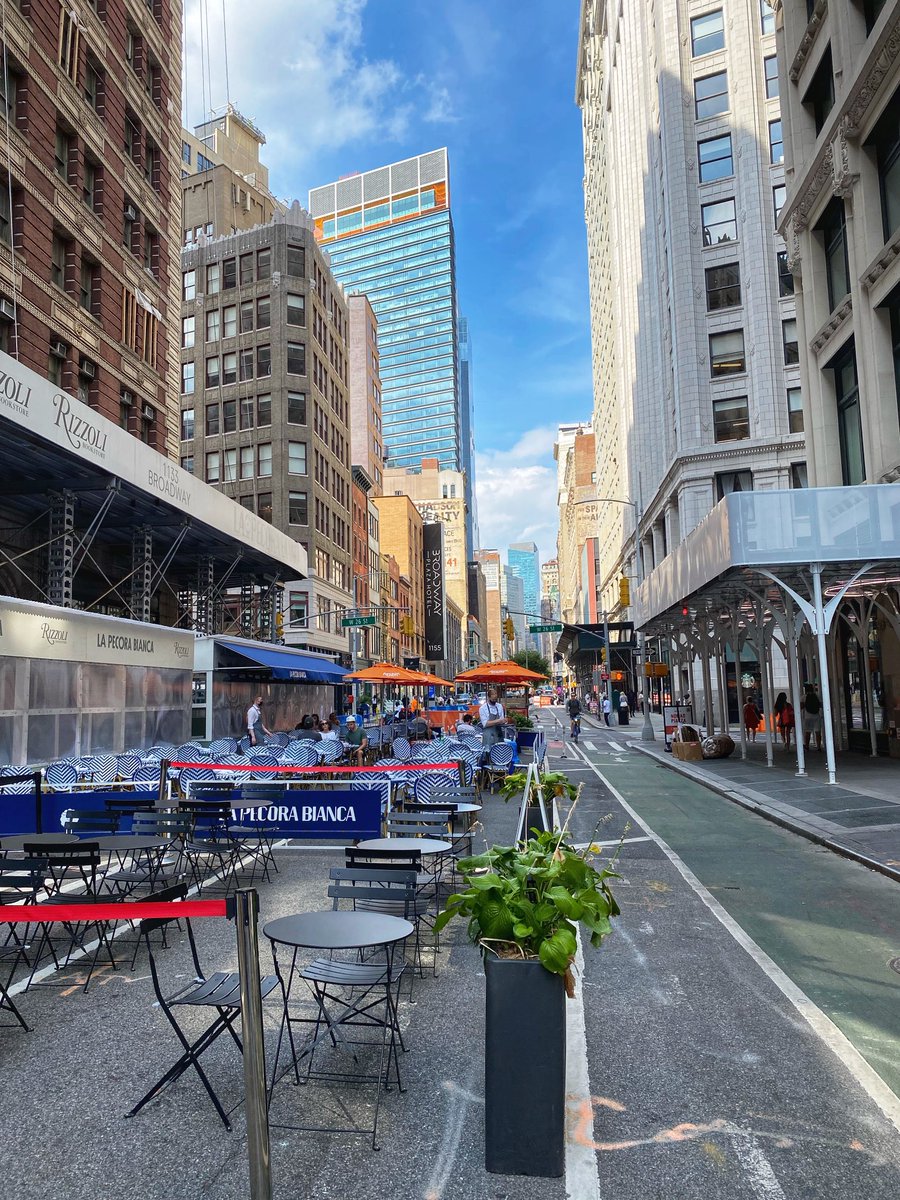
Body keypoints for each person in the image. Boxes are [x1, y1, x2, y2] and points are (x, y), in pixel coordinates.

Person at [801, 683, 823, 751]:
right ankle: (819, 746)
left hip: (808, 716)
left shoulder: (804, 697)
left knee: (808, 732)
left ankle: (807, 746)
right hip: (816, 715)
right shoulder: (817, 696)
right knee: (818, 732)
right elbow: (820, 705)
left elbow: (801, 706)